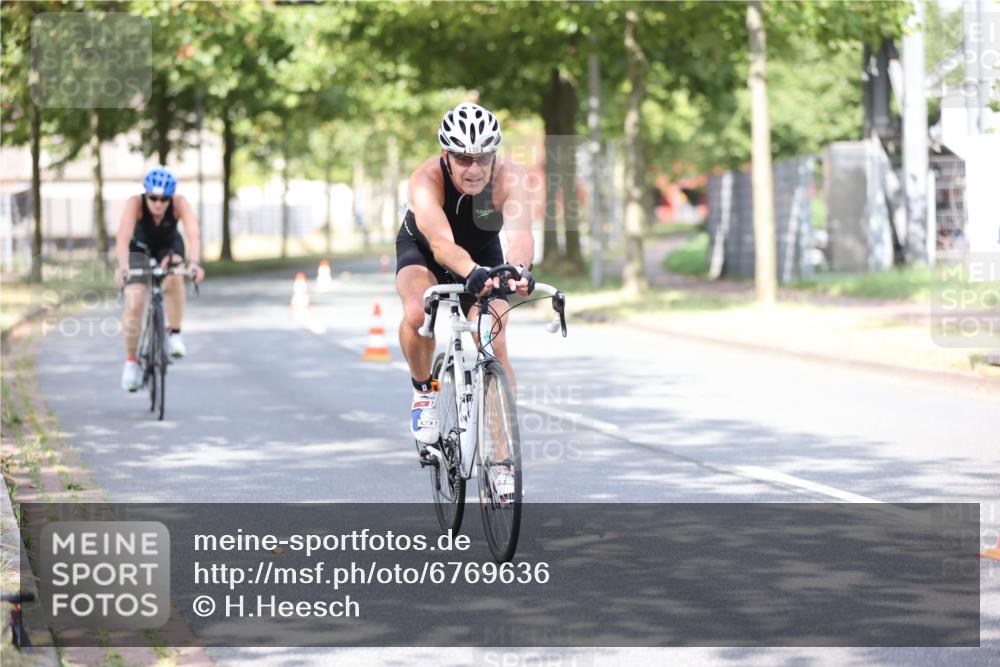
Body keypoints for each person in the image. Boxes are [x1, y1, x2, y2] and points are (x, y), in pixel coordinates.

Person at [395, 103, 536, 477]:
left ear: (495, 155)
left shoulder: (511, 178)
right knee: (416, 311)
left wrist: (520, 271)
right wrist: (470, 272)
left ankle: (501, 460)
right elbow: (441, 245)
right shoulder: (424, 179)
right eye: (462, 158)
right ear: (446, 155)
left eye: (483, 158)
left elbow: (521, 236)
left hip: (481, 253)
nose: (474, 169)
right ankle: (424, 389)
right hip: (425, 249)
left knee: (496, 337)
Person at [115, 166, 205, 391]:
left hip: (168, 247)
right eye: (153, 198)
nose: (158, 204)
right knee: (135, 300)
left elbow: (193, 233)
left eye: (164, 199)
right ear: (146, 194)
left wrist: (194, 264)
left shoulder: (179, 203)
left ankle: (174, 333)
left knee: (175, 274)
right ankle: (131, 362)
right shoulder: (134, 204)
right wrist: (123, 267)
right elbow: (123, 237)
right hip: (140, 249)